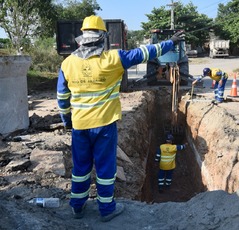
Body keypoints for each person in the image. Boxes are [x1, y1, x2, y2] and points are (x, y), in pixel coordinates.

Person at [56, 15, 185, 221]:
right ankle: (106, 210)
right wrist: (170, 43)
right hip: (104, 126)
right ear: (101, 39)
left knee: (80, 168)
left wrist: (66, 121)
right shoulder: (113, 59)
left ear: (82, 38)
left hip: (80, 126)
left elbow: (62, 97)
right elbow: (144, 53)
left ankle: (77, 206)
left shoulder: (67, 64)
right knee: (105, 168)